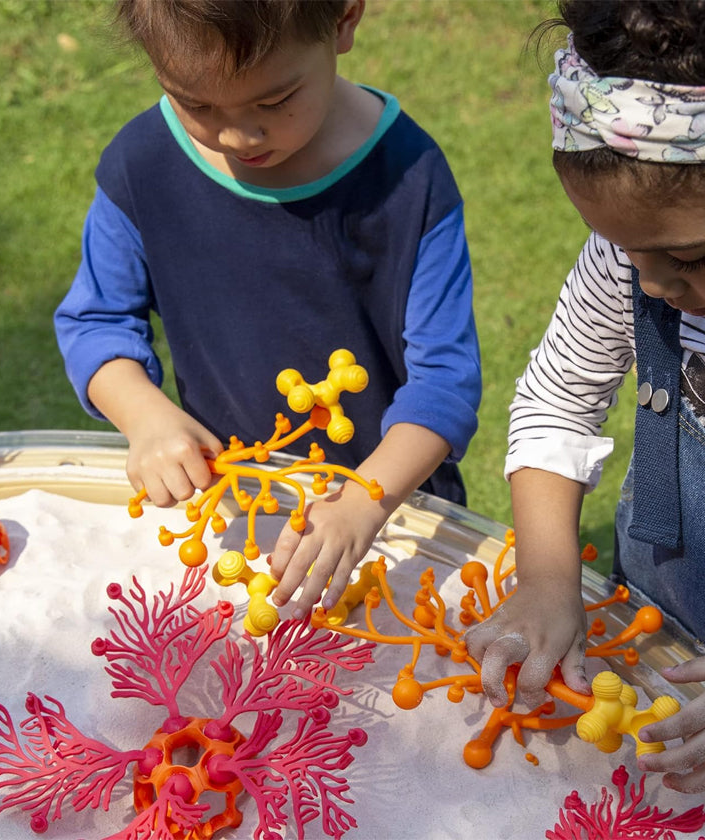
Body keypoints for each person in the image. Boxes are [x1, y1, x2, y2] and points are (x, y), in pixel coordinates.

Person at [465, 0, 705, 794]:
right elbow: (557, 397)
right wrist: (548, 582)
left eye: (691, 257)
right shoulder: (637, 263)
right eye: (631, 252)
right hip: (660, 658)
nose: (654, 286)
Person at [54, 0, 481, 618]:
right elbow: (95, 322)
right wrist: (145, 416)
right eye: (196, 104)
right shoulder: (142, 163)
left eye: (274, 102)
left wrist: (365, 500)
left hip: (389, 517)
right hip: (233, 514)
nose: (236, 136)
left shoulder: (408, 177)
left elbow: (445, 381)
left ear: (343, 20)